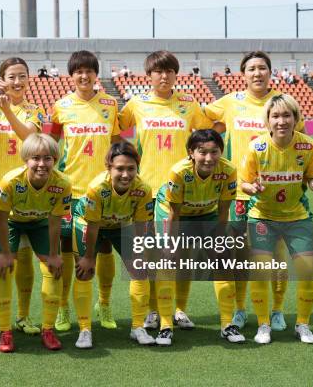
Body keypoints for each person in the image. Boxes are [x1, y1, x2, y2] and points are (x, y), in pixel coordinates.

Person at [204, 51, 306, 332]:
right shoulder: (229, 103)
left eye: (262, 68)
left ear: (270, 73)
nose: (257, 73)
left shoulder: (282, 104)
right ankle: (239, 309)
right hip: (238, 194)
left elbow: (301, 143)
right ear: (243, 74)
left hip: (277, 196)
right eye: (251, 69)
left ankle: (276, 310)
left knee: (277, 257)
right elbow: (201, 121)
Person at [119, 51, 214, 332]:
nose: (164, 76)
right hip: (147, 190)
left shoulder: (189, 104)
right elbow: (115, 130)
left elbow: (209, 133)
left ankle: (179, 309)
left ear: (176, 75)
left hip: (184, 191)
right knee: (150, 254)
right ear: (149, 76)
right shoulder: (136, 104)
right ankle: (151, 310)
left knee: (181, 255)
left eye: (169, 71)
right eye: (158, 71)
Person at [241, 93, 313, 344]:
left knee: (307, 272)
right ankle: (263, 325)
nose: (281, 121)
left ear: (295, 118)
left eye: (286, 115)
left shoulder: (309, 145)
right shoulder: (256, 147)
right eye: (275, 116)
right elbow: (244, 182)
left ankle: (303, 325)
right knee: (261, 272)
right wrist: (252, 188)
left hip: (297, 218)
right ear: (268, 121)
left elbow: (312, 181)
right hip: (262, 218)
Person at [50, 50, 122, 332]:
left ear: (96, 74)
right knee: (66, 249)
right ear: (71, 76)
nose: (84, 75)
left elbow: (118, 143)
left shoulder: (110, 104)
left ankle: (104, 304)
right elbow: (50, 143)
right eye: (78, 71)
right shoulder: (60, 106)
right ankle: (63, 308)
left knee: (103, 249)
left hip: (105, 192)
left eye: (89, 71)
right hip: (72, 190)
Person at [155, 129, 245, 344]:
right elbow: (174, 214)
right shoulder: (179, 172)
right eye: (202, 152)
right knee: (172, 261)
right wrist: (169, 246)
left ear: (221, 152)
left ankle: (226, 324)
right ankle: (166, 325)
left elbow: (224, 212)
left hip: (207, 213)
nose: (208, 158)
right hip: (174, 213)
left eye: (214, 152)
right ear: (191, 152)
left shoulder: (229, 170)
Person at [0, 57, 44, 337]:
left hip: (25, 192)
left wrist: (8, 110)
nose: (17, 82)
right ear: (1, 79)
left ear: (29, 79)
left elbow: (29, 137)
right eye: (11, 77)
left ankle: (24, 316)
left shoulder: (35, 110)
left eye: (22, 76)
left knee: (24, 258)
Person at [0, 133, 71, 352]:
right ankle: (5, 331)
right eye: (36, 158)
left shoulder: (62, 183)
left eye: (48, 158)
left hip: (39, 221)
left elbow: (55, 221)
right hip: (11, 221)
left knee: (54, 267)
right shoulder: (11, 181)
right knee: (3, 267)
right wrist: (6, 253)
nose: (42, 164)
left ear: (55, 159)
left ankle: (48, 329)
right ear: (26, 159)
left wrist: (54, 254)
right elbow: (1, 217)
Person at [72, 141, 155, 348]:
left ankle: (138, 327)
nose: (125, 174)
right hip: (90, 223)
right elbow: (93, 225)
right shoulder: (97, 188)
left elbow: (140, 224)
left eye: (131, 169)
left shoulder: (143, 189)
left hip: (121, 223)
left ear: (137, 167)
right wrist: (89, 257)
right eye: (119, 169)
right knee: (84, 272)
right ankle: (84, 330)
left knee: (140, 270)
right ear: (109, 167)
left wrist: (138, 252)